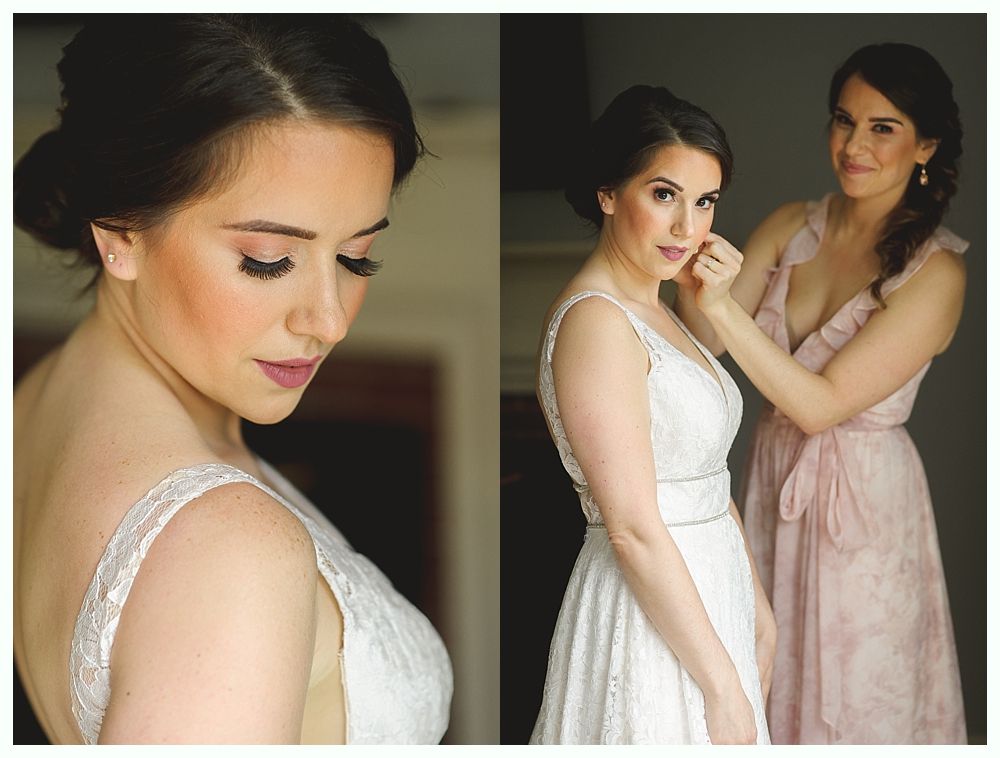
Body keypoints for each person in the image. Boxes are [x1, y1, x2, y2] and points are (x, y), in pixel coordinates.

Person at [13, 15, 451, 745]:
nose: (329, 321)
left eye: (357, 257)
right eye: (269, 260)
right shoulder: (226, 554)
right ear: (119, 233)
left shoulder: (38, 397)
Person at [674, 43, 967, 744]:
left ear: (925, 145)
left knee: (862, 699)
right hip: (776, 481)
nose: (854, 145)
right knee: (769, 677)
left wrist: (722, 309)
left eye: (882, 127)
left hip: (863, 507)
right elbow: (701, 343)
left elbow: (820, 404)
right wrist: (687, 265)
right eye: (843, 120)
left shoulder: (938, 274)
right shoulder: (789, 226)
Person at [528, 85, 773, 745]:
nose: (687, 228)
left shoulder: (662, 310)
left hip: (708, 599)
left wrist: (757, 609)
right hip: (650, 614)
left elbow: (702, 473)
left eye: (705, 202)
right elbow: (633, 528)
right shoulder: (598, 324)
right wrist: (721, 686)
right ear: (609, 192)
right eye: (663, 195)